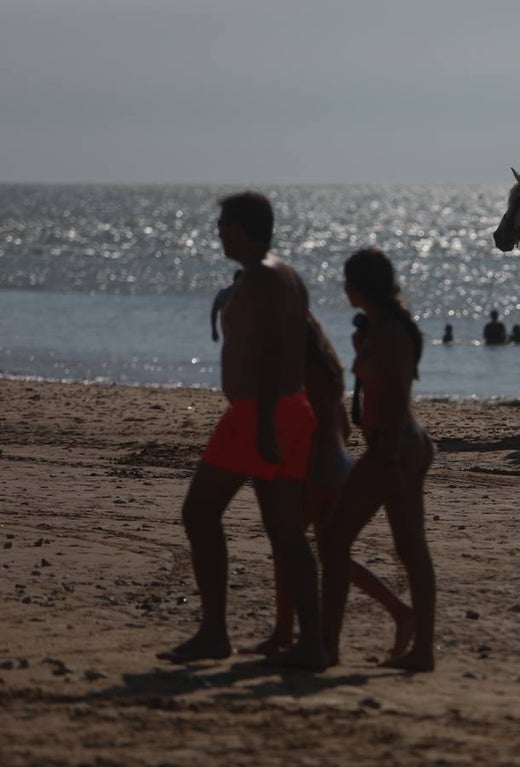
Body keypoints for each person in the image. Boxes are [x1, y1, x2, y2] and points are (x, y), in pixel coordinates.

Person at [159, 191, 326, 670]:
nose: (217, 234)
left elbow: (274, 349)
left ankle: (215, 633)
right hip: (286, 409)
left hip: (259, 413)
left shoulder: (262, 277)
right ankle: (312, 643)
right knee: (286, 532)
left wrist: (267, 421)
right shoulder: (284, 273)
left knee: (199, 513)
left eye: (222, 225)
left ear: (239, 229)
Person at [245, 313, 415, 659]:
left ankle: (283, 632)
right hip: (338, 465)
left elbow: (304, 424)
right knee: (331, 556)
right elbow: (344, 429)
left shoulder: (300, 371)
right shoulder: (328, 370)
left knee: (289, 547)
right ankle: (400, 612)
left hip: (316, 466)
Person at [320, 247, 436, 671]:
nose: (344, 289)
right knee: (410, 550)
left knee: (333, 541)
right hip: (400, 445)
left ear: (360, 286)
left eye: (348, 281)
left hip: (393, 447)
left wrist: (386, 457)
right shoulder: (382, 327)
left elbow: (397, 392)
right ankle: (419, 647)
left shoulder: (390, 332)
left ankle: (327, 646)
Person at [210, 270, 242, 342]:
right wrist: (214, 330)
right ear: (235, 280)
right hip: (229, 328)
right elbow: (214, 311)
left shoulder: (247, 295)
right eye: (241, 281)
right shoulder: (224, 294)